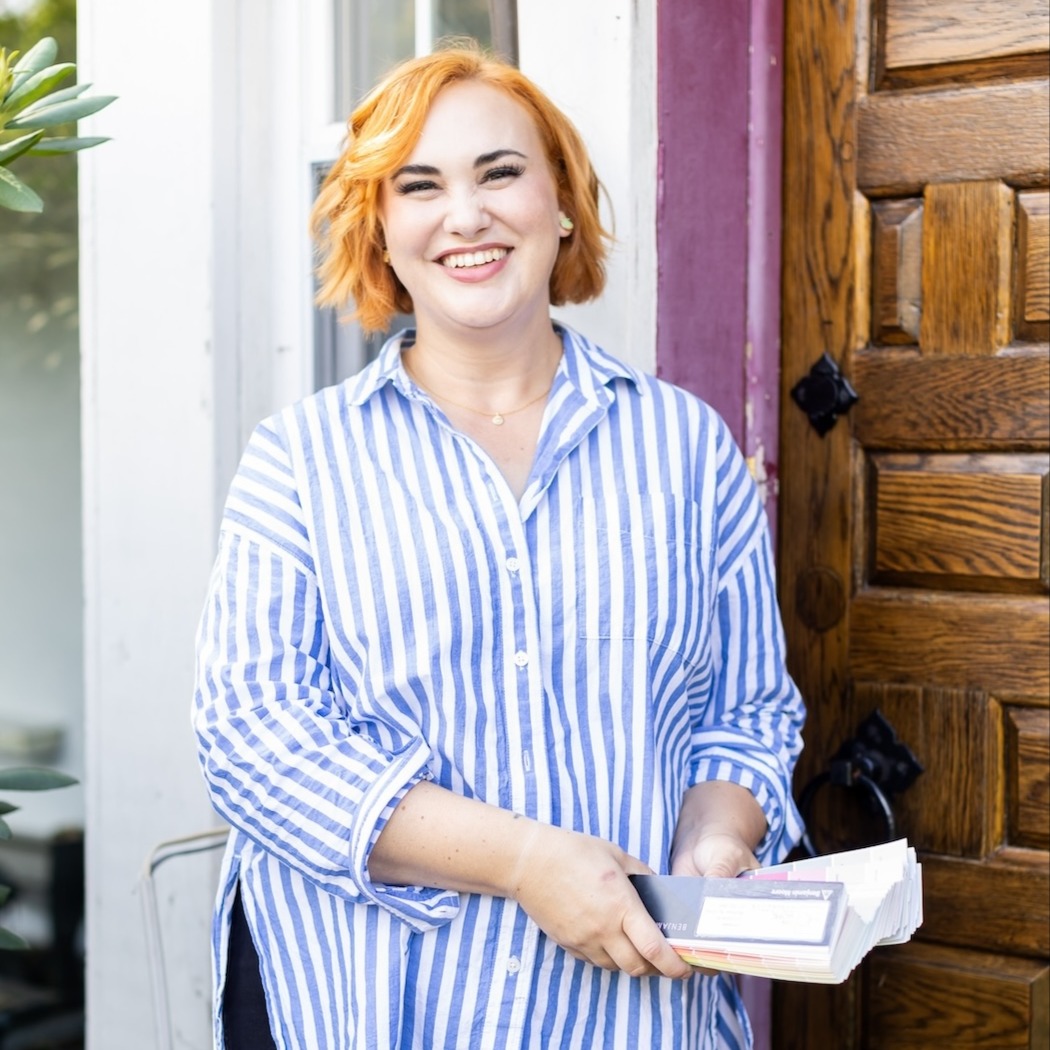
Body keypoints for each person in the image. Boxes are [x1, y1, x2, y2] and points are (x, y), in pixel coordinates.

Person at [193, 40, 805, 1050]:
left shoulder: (687, 449)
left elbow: (744, 711)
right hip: (373, 1009)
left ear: (560, 200)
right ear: (378, 227)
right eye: (419, 185)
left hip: (630, 1018)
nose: (465, 215)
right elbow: (254, 741)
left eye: (500, 172)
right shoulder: (299, 462)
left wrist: (715, 838)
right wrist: (523, 862)